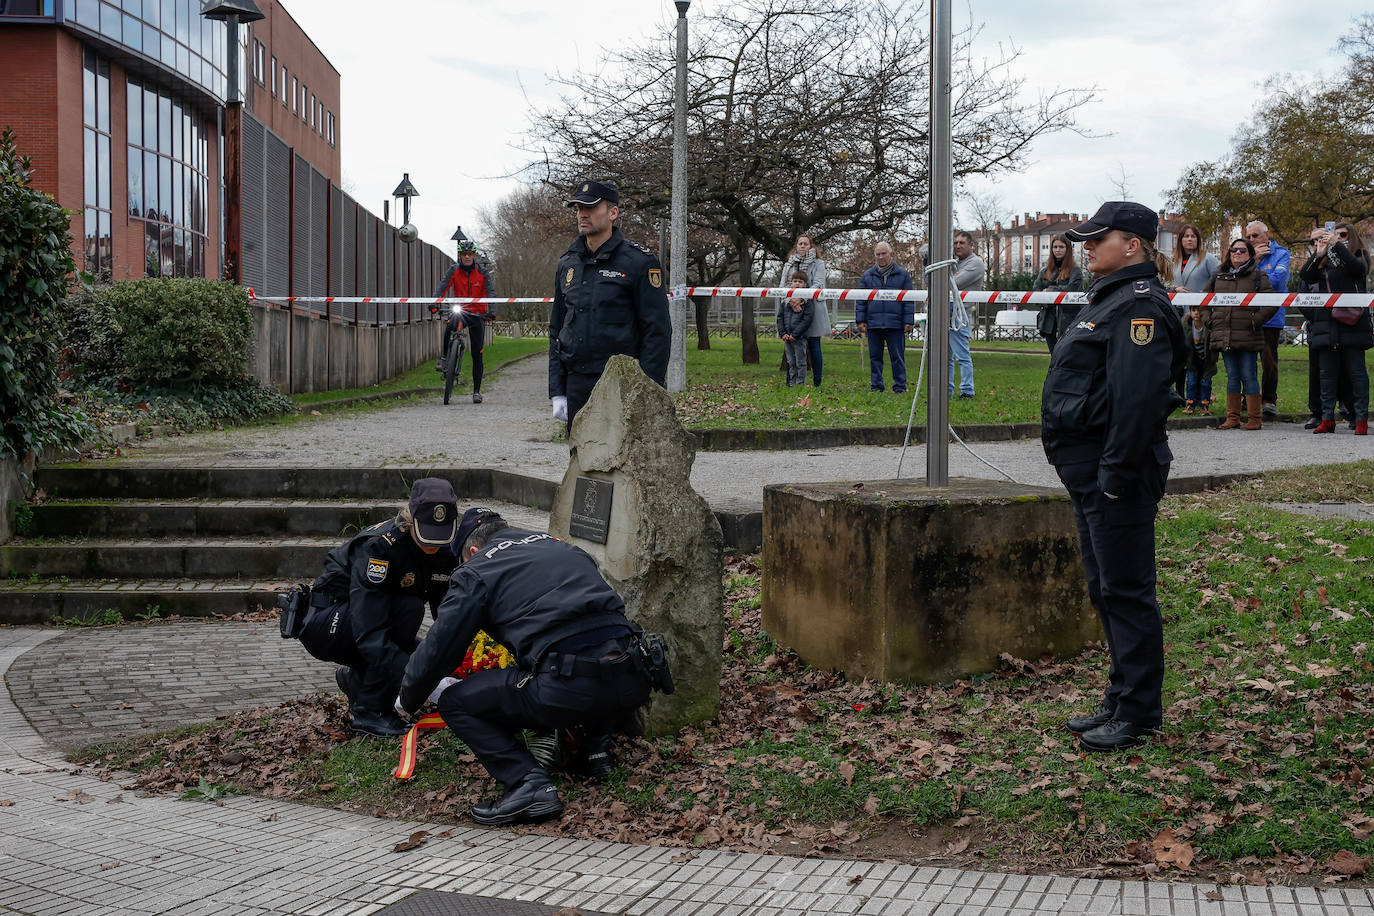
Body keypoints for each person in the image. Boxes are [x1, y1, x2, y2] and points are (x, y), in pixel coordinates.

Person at [396, 508, 656, 826]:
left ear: (473, 552)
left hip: (569, 687)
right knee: (591, 651)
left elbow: (440, 650)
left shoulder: (477, 569)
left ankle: (528, 784)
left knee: (455, 701)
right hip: (635, 676)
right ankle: (594, 751)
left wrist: (408, 696)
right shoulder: (562, 547)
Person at [1042, 201, 1185, 752]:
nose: (1087, 246)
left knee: (1126, 590)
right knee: (1106, 588)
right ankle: (1123, 694)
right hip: (1093, 471)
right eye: (1085, 239)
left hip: (1115, 472)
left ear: (1133, 245)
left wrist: (1115, 476)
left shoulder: (1137, 306)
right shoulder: (1110, 298)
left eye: (1098, 238)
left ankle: (1140, 711)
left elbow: (1138, 402)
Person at [298, 478, 460, 738]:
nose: (434, 545)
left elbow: (447, 613)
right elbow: (370, 632)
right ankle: (369, 711)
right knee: (409, 611)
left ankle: (357, 680)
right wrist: (415, 676)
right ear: (411, 521)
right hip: (327, 622)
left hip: (373, 619)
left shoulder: (444, 550)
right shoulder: (380, 548)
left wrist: (451, 657)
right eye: (426, 534)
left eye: (440, 536)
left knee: (423, 652)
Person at [548, 180, 671, 427]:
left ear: (613, 212)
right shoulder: (568, 264)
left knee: (623, 463)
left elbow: (657, 331)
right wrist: (557, 389)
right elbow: (558, 329)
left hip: (622, 384)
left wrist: (647, 389)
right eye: (578, 208)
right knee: (581, 463)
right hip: (578, 383)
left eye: (591, 207)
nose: (583, 213)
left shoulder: (638, 262)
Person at [1299, 221, 1370, 435]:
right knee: (1326, 374)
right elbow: (1306, 276)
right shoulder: (1325, 259)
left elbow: (1358, 269)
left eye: (1343, 234)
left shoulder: (1359, 255)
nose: (1337, 237)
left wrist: (1337, 245)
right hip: (1326, 323)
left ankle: (1361, 419)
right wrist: (1319, 254)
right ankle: (1327, 418)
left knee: (1356, 373)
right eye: (1334, 234)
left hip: (1353, 322)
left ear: (1352, 236)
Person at [1206, 238, 1278, 431]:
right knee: (1232, 376)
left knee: (1249, 375)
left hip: (1248, 335)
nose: (1237, 253)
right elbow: (1203, 301)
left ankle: (1255, 418)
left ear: (1250, 255)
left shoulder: (1258, 275)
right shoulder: (1217, 276)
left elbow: (1273, 302)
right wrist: (1210, 321)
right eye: (1233, 250)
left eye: (1242, 250)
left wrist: (1255, 320)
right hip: (1225, 334)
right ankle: (1233, 418)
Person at [433, 240, 495, 404]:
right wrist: (434, 303)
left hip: (477, 314)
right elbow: (442, 287)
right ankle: (445, 357)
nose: (467, 257)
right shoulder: (453, 270)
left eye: (470, 254)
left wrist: (492, 310)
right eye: (464, 254)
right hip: (460, 310)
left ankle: (476, 391)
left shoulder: (482, 273)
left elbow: (491, 292)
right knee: (450, 324)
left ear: (474, 255)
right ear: (460, 255)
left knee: (477, 353)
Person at [856, 241, 916, 393]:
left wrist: (908, 321)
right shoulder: (867, 276)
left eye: (884, 253)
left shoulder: (903, 275)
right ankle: (876, 386)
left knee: (898, 358)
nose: (881, 257)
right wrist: (861, 320)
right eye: (878, 254)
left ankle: (900, 387)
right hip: (873, 324)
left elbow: (909, 299)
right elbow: (861, 300)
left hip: (895, 325)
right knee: (875, 358)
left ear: (891, 254)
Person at [1245, 221, 1290, 417]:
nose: (1251, 240)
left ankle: (1269, 400)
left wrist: (1254, 275)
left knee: (1269, 362)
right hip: (1246, 316)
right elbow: (1238, 279)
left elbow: (1276, 281)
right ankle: (1248, 399)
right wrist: (1254, 260)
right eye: (1248, 237)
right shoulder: (1245, 253)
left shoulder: (1282, 253)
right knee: (1246, 361)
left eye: (1255, 236)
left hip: (1271, 316)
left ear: (1266, 235)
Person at [780, 234, 830, 386]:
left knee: (814, 346)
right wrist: (791, 301)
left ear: (810, 246)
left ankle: (817, 382)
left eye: (806, 244)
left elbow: (818, 284)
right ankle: (792, 381)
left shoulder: (819, 263)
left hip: (812, 307)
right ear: (796, 246)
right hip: (791, 311)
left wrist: (801, 299)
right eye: (800, 243)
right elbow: (782, 287)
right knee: (791, 347)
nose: (802, 246)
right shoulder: (789, 264)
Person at [1033, 234, 1085, 352]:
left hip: (1068, 322)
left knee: (1066, 356)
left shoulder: (1075, 271)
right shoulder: (1045, 272)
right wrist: (1047, 299)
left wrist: (1050, 291)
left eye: (1061, 247)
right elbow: (1035, 293)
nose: (1057, 250)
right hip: (1048, 323)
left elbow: (1072, 291)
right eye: (1055, 247)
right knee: (1054, 357)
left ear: (1067, 249)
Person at [949, 230, 982, 399]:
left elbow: (953, 283)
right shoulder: (954, 262)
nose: (957, 246)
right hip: (945, 311)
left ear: (971, 245)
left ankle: (967, 391)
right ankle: (946, 390)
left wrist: (947, 275)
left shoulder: (975, 263)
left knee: (962, 355)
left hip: (960, 315)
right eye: (955, 243)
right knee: (944, 355)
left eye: (962, 243)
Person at [777, 271, 815, 387]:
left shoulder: (807, 301)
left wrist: (795, 334)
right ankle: (791, 383)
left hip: (799, 338)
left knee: (800, 362)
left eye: (800, 281)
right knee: (790, 361)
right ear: (791, 283)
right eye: (795, 281)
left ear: (805, 284)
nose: (797, 284)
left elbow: (806, 320)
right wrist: (783, 333)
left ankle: (800, 384)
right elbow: (780, 317)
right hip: (787, 337)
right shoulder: (786, 301)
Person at [1181, 304, 1218, 415]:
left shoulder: (1209, 326)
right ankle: (1190, 404)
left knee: (1206, 383)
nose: (1196, 313)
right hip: (1192, 359)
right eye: (1194, 310)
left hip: (1207, 360)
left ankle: (1204, 405)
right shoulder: (1186, 325)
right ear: (1190, 312)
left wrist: (1213, 358)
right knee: (1191, 382)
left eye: (1199, 310)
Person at [1171, 224, 1219, 294]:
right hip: (1178, 303)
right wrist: (1174, 290)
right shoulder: (1174, 261)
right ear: (1180, 240)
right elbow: (1166, 284)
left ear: (1198, 240)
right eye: (1186, 236)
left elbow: (1221, 280)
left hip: (1200, 303)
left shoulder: (1208, 259)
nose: (1189, 239)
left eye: (1193, 236)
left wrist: (1209, 292)